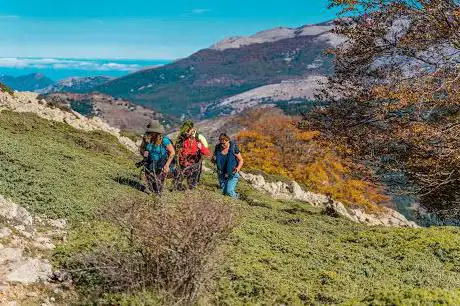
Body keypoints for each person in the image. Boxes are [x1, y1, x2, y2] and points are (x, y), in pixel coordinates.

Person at [139, 120, 175, 194]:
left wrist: (167, 165)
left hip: (160, 165)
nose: (151, 133)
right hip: (149, 164)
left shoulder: (164, 140)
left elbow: (172, 152)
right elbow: (142, 149)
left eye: (153, 132)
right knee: (150, 184)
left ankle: (157, 198)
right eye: (150, 131)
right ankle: (151, 197)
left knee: (158, 186)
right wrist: (143, 153)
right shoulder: (146, 139)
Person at [175, 122, 211, 190]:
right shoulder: (182, 138)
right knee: (178, 182)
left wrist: (200, 148)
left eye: (188, 130)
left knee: (191, 183)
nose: (186, 133)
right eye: (185, 131)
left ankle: (190, 194)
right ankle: (180, 192)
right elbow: (177, 149)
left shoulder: (199, 138)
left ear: (192, 129)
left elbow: (207, 152)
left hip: (195, 164)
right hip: (183, 164)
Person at [212, 133, 244, 198]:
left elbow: (241, 160)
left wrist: (237, 169)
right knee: (224, 192)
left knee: (229, 191)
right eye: (221, 143)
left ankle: (237, 198)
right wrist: (213, 159)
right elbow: (213, 160)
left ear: (228, 141)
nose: (222, 145)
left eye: (224, 143)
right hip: (221, 174)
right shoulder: (217, 148)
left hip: (232, 173)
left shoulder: (233, 148)